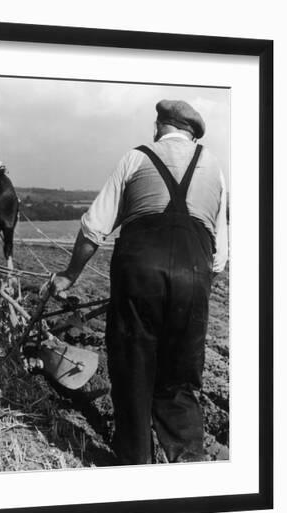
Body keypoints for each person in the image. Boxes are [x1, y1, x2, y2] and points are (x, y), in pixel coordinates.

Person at [45, 99, 228, 465]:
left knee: (132, 370)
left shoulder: (136, 157)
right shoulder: (214, 168)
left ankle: (136, 464)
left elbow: (93, 228)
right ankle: (191, 465)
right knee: (179, 379)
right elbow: (219, 259)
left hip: (139, 274)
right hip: (194, 279)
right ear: (192, 133)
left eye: (156, 125)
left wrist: (69, 275)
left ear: (161, 126)